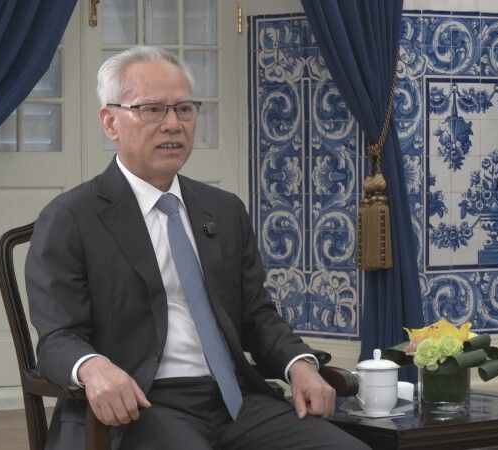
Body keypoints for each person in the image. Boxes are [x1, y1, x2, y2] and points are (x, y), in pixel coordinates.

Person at [25, 46, 368, 450]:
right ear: (110, 122)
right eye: (153, 110)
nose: (173, 124)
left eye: (184, 109)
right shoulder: (71, 217)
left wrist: (299, 364)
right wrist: (93, 368)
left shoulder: (223, 210)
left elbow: (257, 315)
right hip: (141, 405)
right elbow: (58, 336)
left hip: (235, 400)